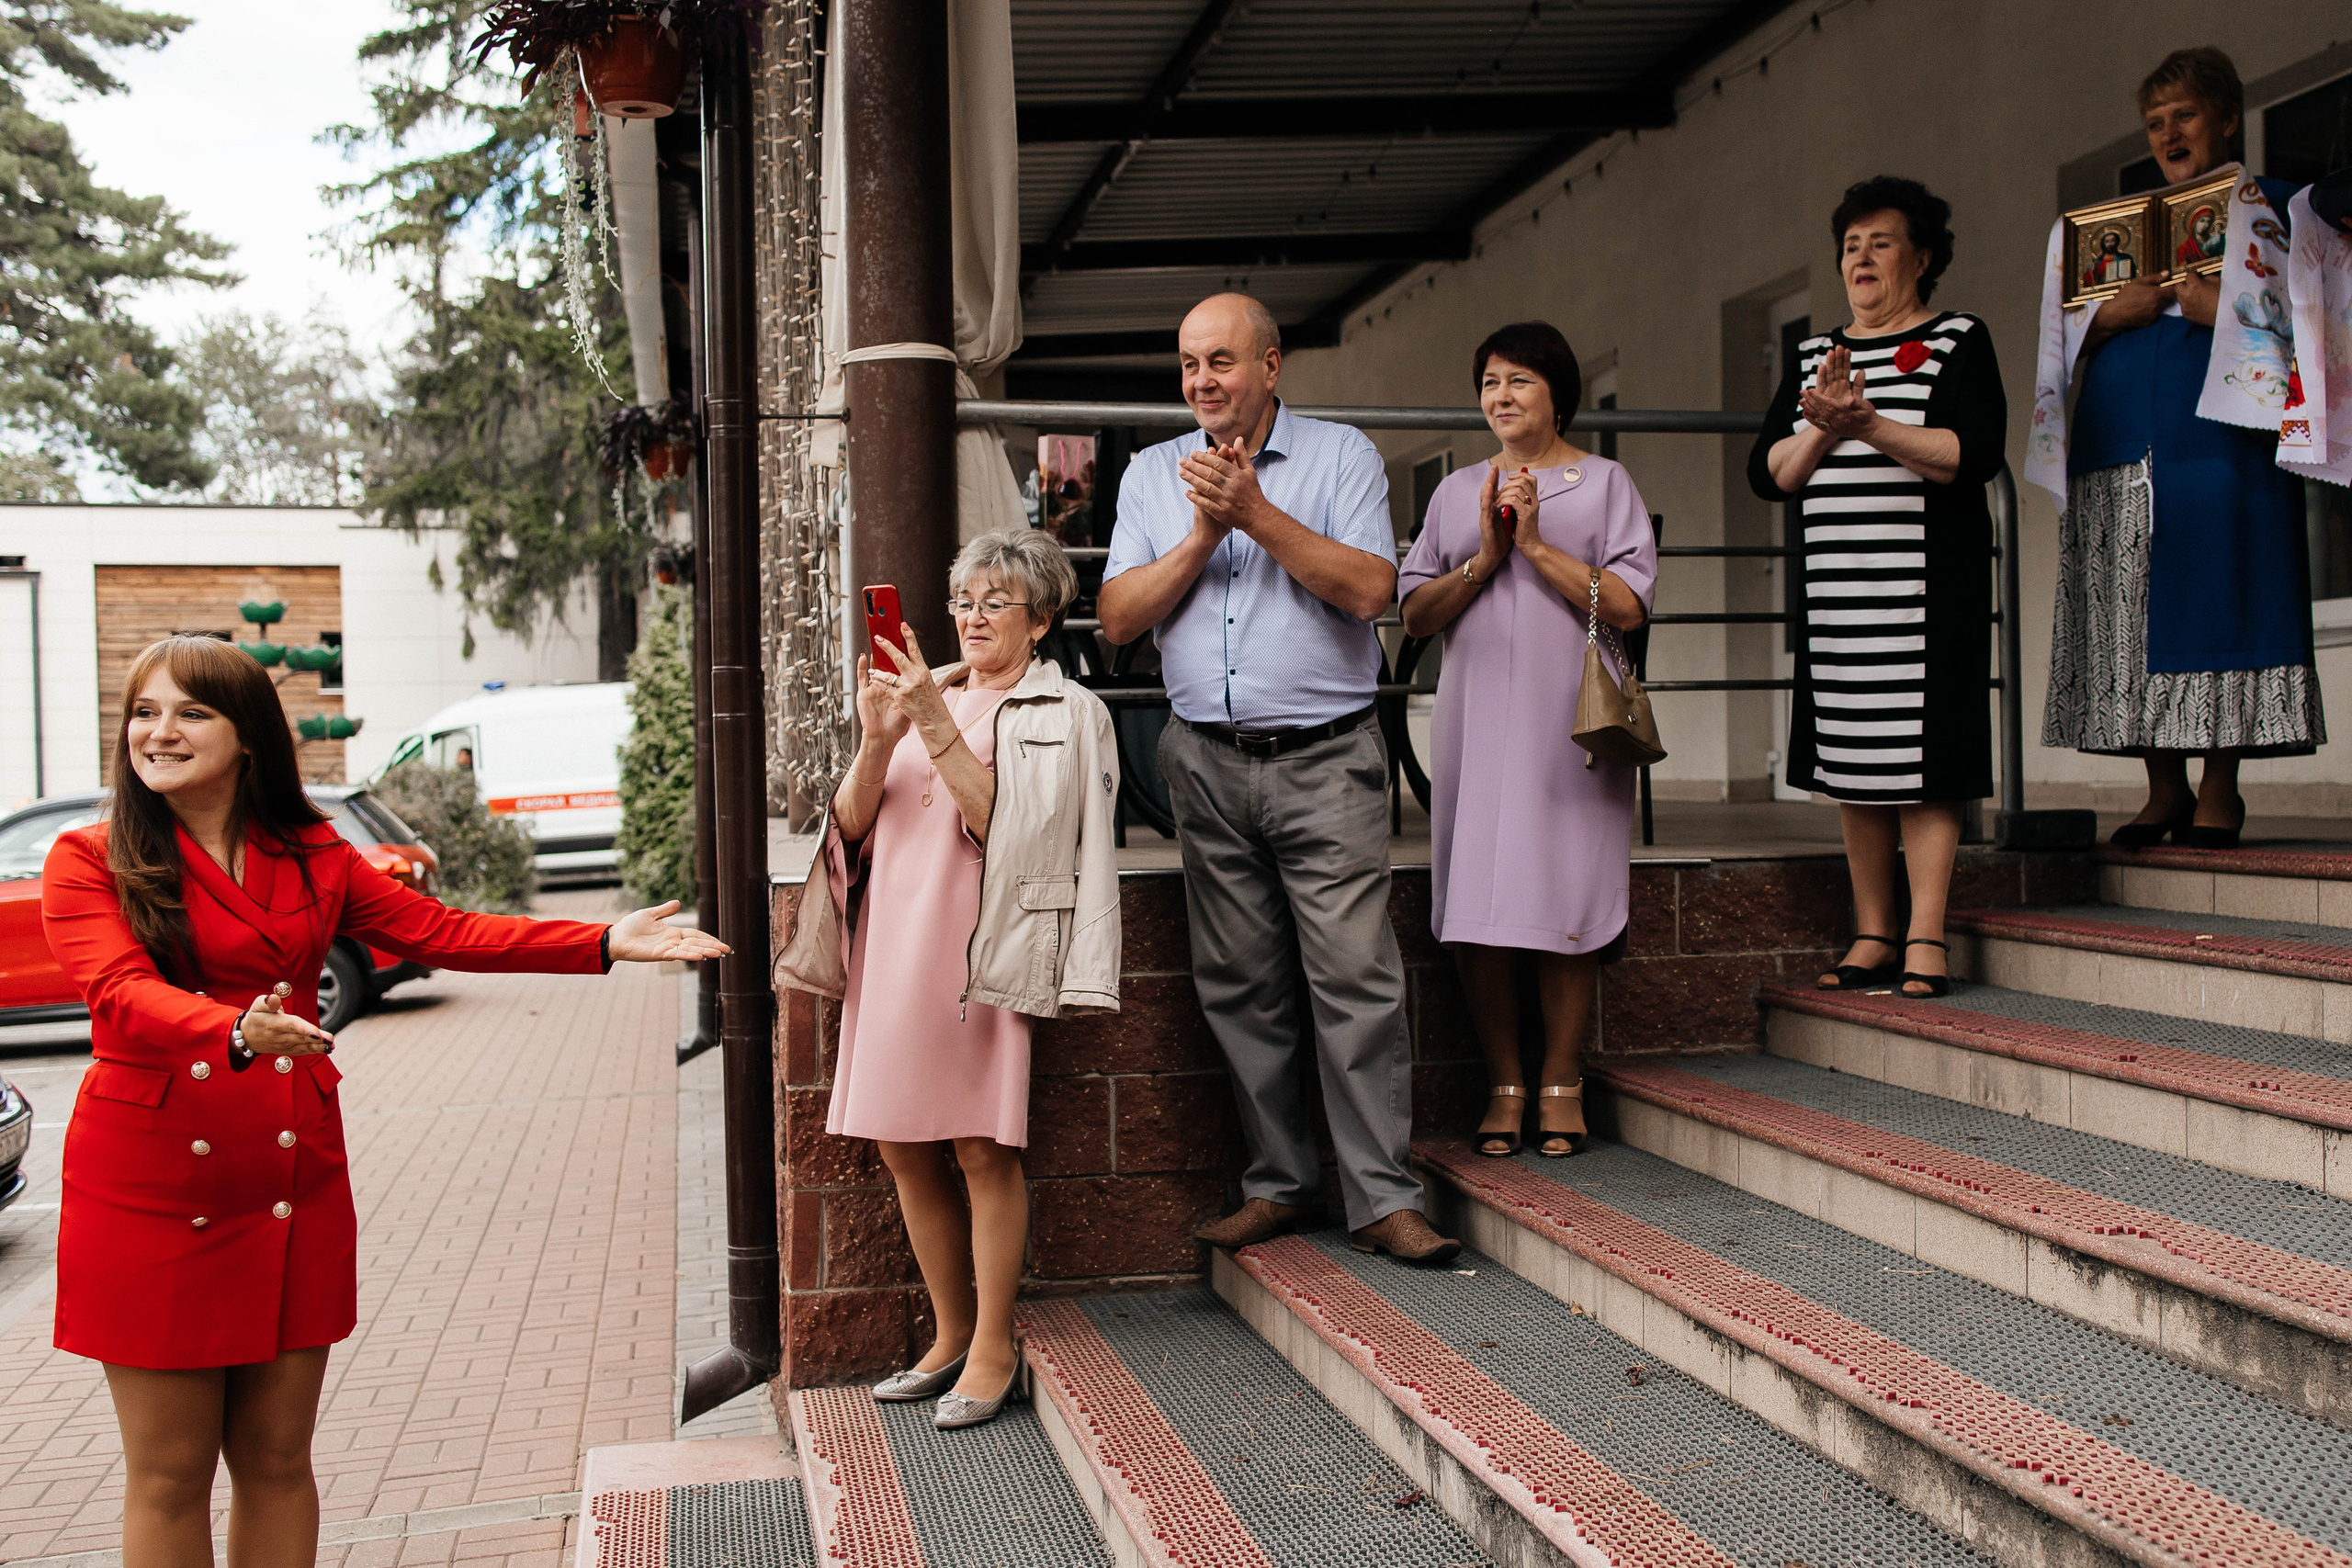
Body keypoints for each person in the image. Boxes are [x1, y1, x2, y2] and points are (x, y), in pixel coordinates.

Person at [41, 635, 729, 1568]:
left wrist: (600, 941)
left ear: (249, 737)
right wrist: (235, 1029)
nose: (158, 732)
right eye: (143, 712)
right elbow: (120, 992)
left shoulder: (311, 851)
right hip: (154, 1189)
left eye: (191, 712)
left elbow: (440, 932)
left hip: (289, 1179)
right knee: (170, 1474)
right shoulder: (89, 858)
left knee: (278, 1459)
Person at [1097, 291, 1460, 1265]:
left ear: (1270, 365)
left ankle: (1382, 1198)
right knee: (1239, 986)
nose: (1201, 381)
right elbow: (1120, 617)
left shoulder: (1342, 456)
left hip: (1325, 758)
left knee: (1355, 981)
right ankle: (1280, 1184)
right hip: (1204, 762)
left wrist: (1253, 513)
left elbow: (1372, 590)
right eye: (1188, 364)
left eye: (1220, 360)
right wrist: (1202, 536)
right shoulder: (1150, 474)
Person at [775, 528, 1120, 1431]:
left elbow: (1016, 832)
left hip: (977, 947)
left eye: (995, 602)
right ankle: (950, 1333)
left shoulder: (1066, 711)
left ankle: (995, 1344)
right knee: (899, 1142)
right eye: (964, 601)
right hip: (892, 939)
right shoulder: (927, 693)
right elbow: (851, 826)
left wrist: (930, 721)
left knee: (980, 1146)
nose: (972, 617)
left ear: (1041, 620)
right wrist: (874, 741)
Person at [2046, 47, 2324, 848]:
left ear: (2227, 119)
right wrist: (2108, 315)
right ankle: (2162, 787)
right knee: (2126, 607)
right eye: (2155, 123)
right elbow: (2059, 333)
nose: (2168, 134)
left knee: (2220, 595)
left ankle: (2219, 789)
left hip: (2221, 439)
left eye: (2185, 116)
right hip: (2117, 435)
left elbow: (2322, 320)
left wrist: (2221, 309)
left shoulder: (2280, 208)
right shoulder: (2121, 227)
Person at [1397, 321, 1657, 1157]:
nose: (1500, 396)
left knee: (1564, 898)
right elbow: (1414, 614)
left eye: (1519, 380)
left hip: (1571, 728)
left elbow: (1627, 606)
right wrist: (1484, 556)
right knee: (1478, 906)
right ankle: (1505, 1080)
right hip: (1475, 723)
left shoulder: (1606, 483)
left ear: (1558, 394)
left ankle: (1561, 1078)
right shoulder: (1455, 491)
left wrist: (1536, 547)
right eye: (1489, 382)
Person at [1747, 176, 2008, 999]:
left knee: (1926, 765)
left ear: (1922, 257)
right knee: (1856, 761)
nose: (1861, 258)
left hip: (1929, 595)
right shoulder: (1811, 358)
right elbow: (1769, 473)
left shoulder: (1959, 339)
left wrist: (1871, 424)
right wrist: (1825, 424)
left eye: (1881, 242)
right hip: (1839, 596)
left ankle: (1926, 936)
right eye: (1851, 245)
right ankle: (1872, 932)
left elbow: (1973, 454)